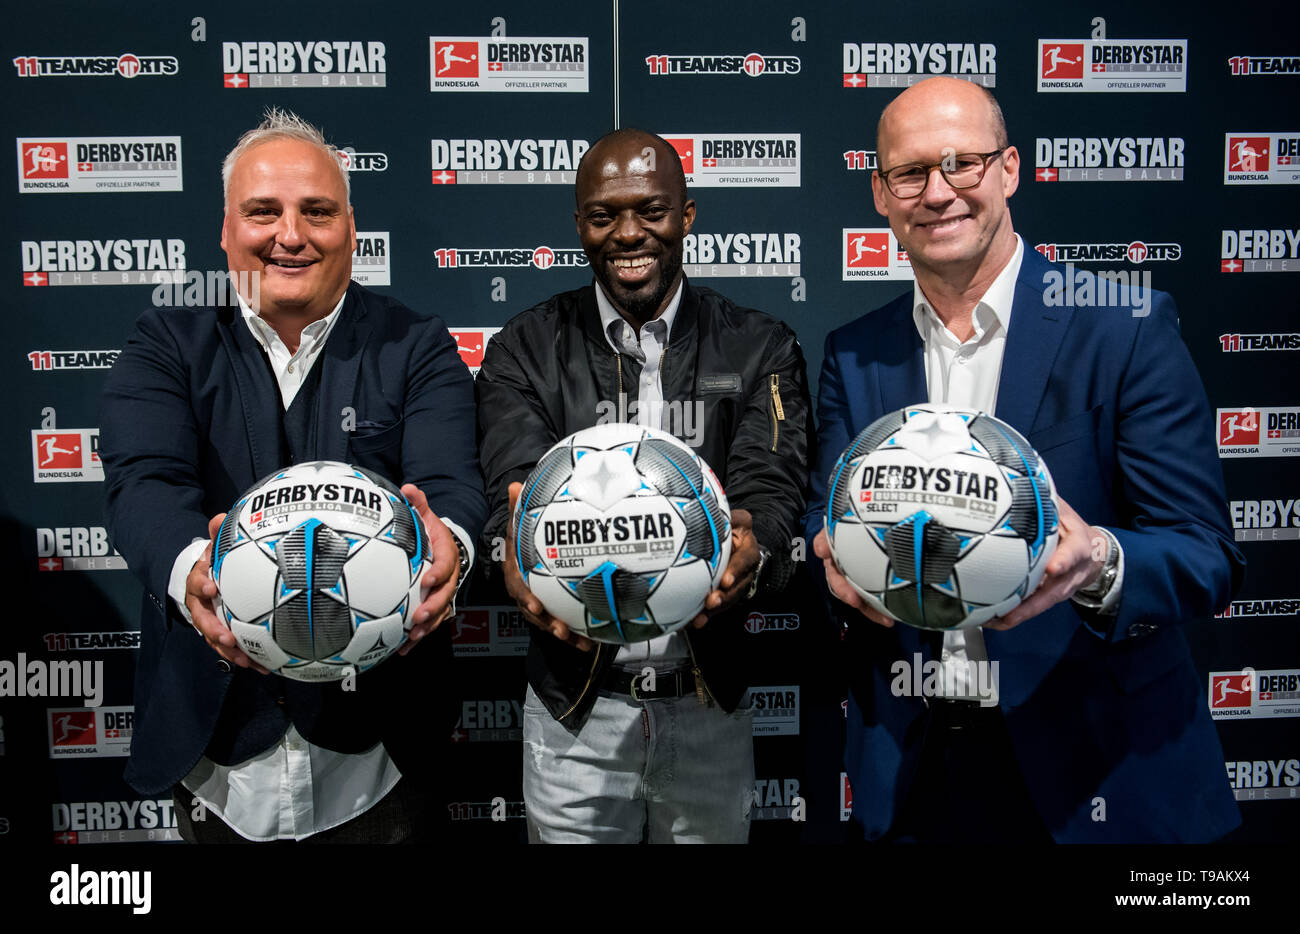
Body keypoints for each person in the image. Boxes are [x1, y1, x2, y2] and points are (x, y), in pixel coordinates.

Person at [806, 78, 1244, 843]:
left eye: (963, 164)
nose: (938, 192)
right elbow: (826, 513)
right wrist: (830, 556)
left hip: (1098, 770)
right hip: (917, 770)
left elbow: (1205, 553)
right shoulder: (854, 353)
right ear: (880, 194)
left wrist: (1098, 562)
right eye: (910, 173)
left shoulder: (1126, 327)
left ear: (1010, 170)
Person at [100, 109, 486, 843]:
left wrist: (454, 549)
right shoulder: (166, 341)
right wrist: (195, 577)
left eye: (317, 212)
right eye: (262, 212)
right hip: (217, 753)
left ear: (351, 227)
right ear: (225, 230)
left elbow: (452, 486)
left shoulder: (415, 345)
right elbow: (142, 482)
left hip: (380, 754)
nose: (290, 234)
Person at [476, 128, 811, 843]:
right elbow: (510, 489)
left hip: (709, 703)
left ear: (686, 216)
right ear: (579, 224)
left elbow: (774, 492)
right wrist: (509, 545)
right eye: (603, 216)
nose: (628, 233)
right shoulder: (524, 348)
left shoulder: (759, 345)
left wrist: (757, 546)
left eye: (652, 211)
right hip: (575, 712)